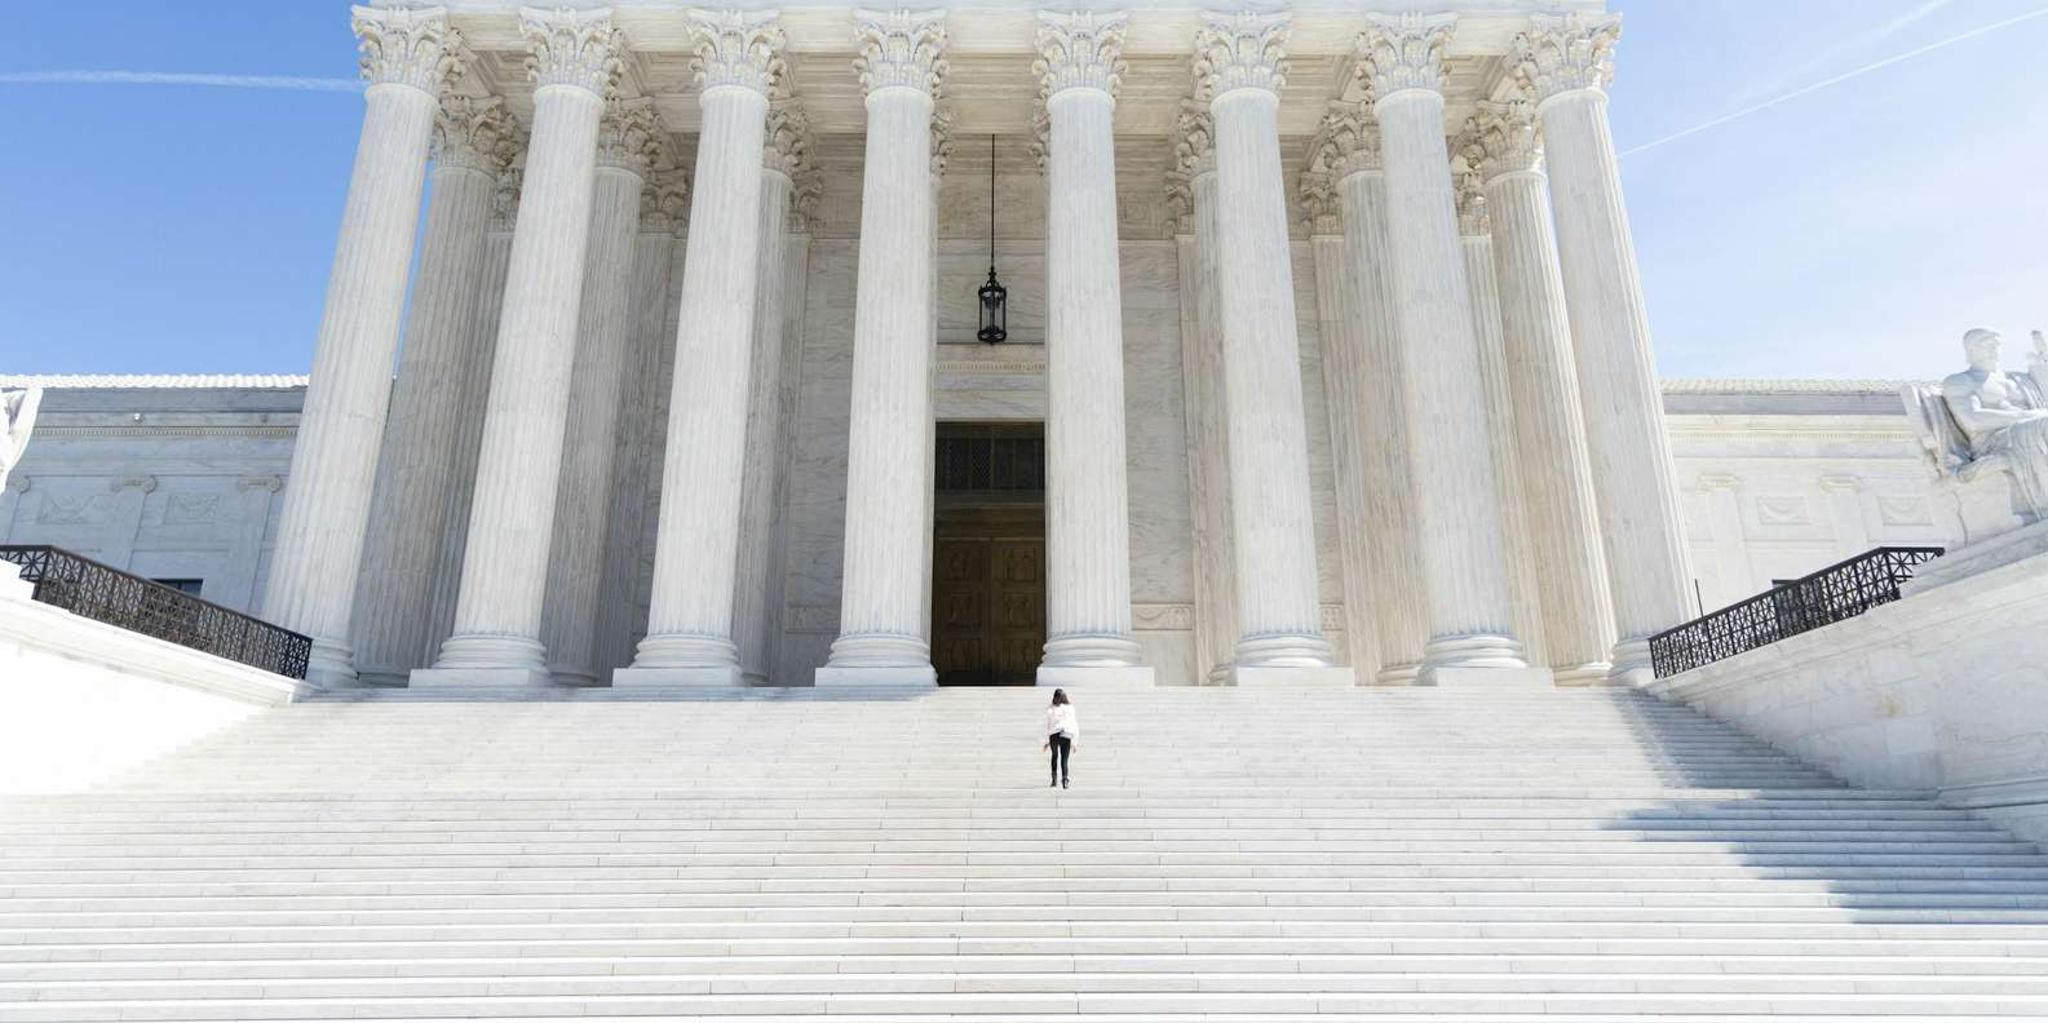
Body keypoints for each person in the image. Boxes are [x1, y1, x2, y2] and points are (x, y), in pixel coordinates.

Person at [1042, 689, 1078, 789]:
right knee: (1064, 759)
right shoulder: (1070, 708)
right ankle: (1065, 780)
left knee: (1054, 756)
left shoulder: (1051, 708)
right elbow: (1074, 724)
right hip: (1066, 734)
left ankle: (1054, 780)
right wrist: (1075, 742)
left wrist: (1046, 741)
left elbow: (1047, 724)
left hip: (1054, 734)